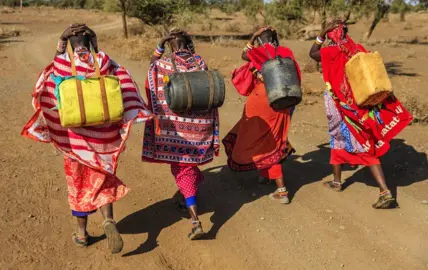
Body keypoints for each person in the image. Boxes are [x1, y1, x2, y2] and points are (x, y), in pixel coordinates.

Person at [21, 24, 153, 251]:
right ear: (91, 43)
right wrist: (95, 44)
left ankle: (82, 234)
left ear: (69, 45)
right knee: (103, 177)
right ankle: (109, 220)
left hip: (76, 140)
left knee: (79, 184)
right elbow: (124, 83)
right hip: (104, 139)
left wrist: (62, 41)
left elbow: (47, 80)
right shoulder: (103, 61)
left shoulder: (63, 64)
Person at [309, 20, 412, 209]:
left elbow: (312, 53)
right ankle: (337, 182)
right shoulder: (358, 48)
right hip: (360, 105)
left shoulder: (331, 51)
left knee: (354, 143)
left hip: (340, 105)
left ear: (332, 35)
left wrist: (322, 33)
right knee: (349, 140)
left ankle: (384, 192)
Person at [142, 29, 219, 240]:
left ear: (171, 46)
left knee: (183, 169)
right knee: (190, 166)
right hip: (200, 129)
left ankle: (195, 220)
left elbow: (151, 73)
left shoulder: (165, 64)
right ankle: (187, 194)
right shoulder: (199, 63)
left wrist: (159, 46)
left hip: (177, 133)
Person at [223, 27, 298, 204]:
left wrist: (252, 38)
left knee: (257, 139)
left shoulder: (258, 52)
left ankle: (281, 189)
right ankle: (265, 176)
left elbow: (244, 55)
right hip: (282, 101)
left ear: (260, 40)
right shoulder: (286, 52)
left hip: (260, 100)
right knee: (275, 140)